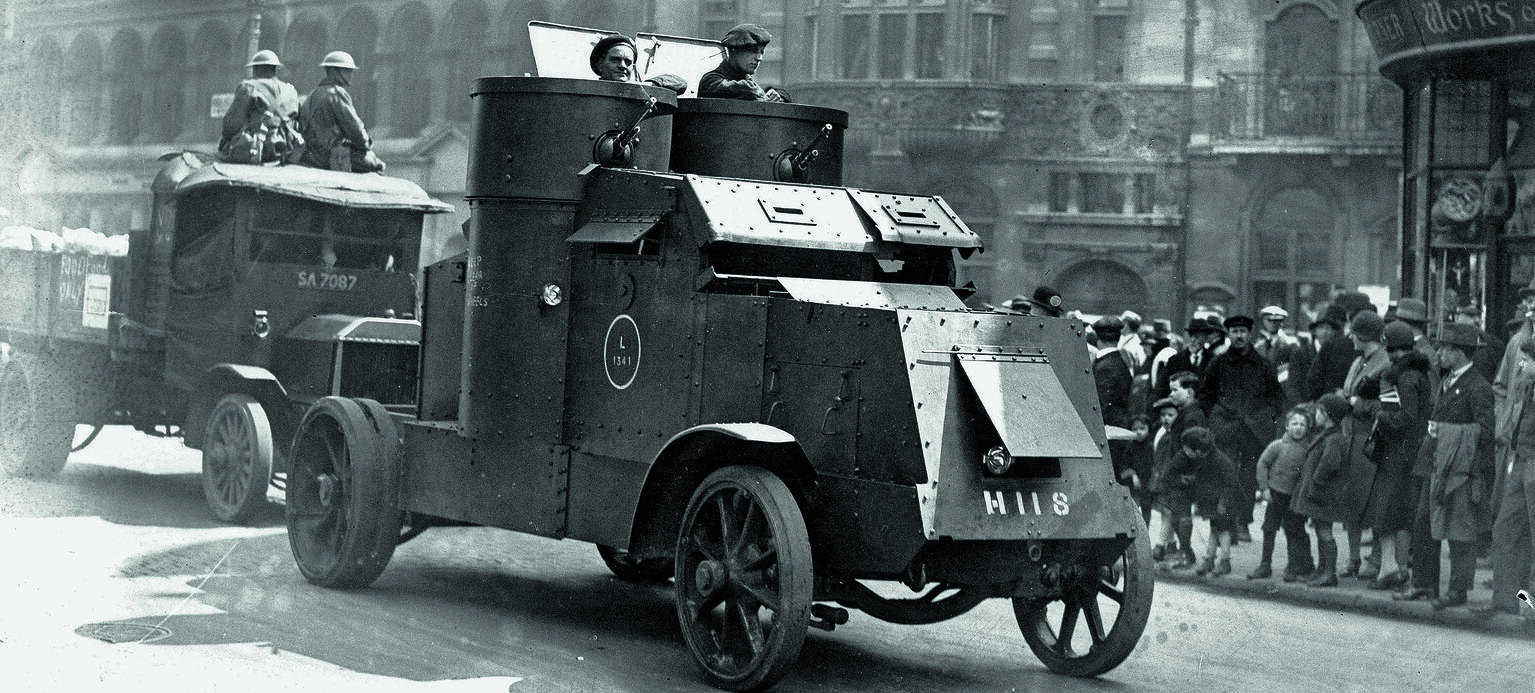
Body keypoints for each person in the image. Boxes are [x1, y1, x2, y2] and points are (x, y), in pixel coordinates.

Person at [1394, 322, 1495, 609]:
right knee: (1423, 525)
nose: (1439, 353)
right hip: (1436, 466)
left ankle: (1458, 591)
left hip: (1460, 471)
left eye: (1445, 349)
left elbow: (1486, 431)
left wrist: (1447, 432)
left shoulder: (1478, 387)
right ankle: (1424, 585)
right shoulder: (1449, 380)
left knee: (1459, 532)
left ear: (1460, 353)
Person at [1361, 320, 1433, 591]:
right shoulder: (1417, 373)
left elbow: (1407, 417)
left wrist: (1380, 414)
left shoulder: (1405, 377)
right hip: (1409, 451)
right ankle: (1398, 567)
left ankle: (1390, 568)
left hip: (1399, 451)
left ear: (1391, 348)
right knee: (1401, 512)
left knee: (1387, 512)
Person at [1198, 314, 1283, 539]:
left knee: (1249, 477)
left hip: (1254, 431)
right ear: (1229, 334)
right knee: (1227, 474)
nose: (1239, 336)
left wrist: (1269, 421)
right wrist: (1214, 419)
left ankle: (1244, 523)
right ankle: (1229, 525)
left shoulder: (1263, 364)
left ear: (1249, 334)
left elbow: (1276, 398)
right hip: (1226, 428)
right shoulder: (1218, 363)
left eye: (1243, 332)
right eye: (1234, 332)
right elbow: (1205, 395)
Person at [1292, 393, 1374, 587]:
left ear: (1327, 415)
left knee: (1325, 532)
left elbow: (1330, 463)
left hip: (1324, 493)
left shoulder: (1335, 438)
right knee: (1321, 530)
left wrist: (1317, 482)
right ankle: (1322, 570)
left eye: (1319, 411)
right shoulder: (1329, 434)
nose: (1316, 415)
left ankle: (1329, 573)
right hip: (1321, 492)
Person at [1482, 338, 1535, 617]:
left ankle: (1530, 607)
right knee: (1505, 527)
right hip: (1523, 460)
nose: (1521, 364)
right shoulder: (1527, 387)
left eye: (1527, 360)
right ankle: (1505, 600)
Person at [1340, 310, 1390, 579]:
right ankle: (1353, 558)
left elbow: (1384, 405)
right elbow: (1349, 392)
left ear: (1363, 336)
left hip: (1369, 440)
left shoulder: (1384, 363)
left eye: (1354, 333)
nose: (1350, 337)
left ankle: (1376, 559)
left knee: (1371, 504)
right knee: (1352, 502)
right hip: (1351, 437)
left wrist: (1354, 403)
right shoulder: (1359, 361)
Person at [1251, 405, 1317, 581]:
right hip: (1275, 494)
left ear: (1308, 428)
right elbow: (1262, 464)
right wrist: (1264, 488)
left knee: (1294, 530)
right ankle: (1265, 565)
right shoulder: (1278, 446)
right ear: (1287, 426)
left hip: (1295, 499)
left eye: (1302, 424)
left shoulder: (1309, 449)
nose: (1298, 427)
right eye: (1294, 423)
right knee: (1269, 528)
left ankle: (1294, 566)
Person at [1149, 373, 1205, 568]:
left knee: (1181, 515)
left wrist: (1179, 472)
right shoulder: (1186, 413)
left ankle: (1186, 553)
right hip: (1179, 473)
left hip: (1184, 475)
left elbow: (1190, 448)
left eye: (1175, 390)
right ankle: (1185, 551)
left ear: (1189, 392)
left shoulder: (1192, 416)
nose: (1171, 394)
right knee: (1175, 514)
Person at [298, 51, 385, 173]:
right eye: (347, 71)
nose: (351, 75)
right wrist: (366, 145)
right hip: (328, 156)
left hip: (310, 155)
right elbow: (355, 130)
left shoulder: (314, 93)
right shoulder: (336, 93)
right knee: (375, 162)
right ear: (334, 72)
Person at [218, 50, 302, 164]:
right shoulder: (290, 90)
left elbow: (231, 125)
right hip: (285, 150)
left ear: (256, 69)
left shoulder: (248, 87)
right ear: (275, 69)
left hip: (256, 150)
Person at [1186, 426, 1240, 577]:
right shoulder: (1206, 458)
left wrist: (1223, 502)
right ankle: (1209, 559)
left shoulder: (1220, 460)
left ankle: (1225, 561)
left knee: (1223, 531)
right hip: (1216, 502)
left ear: (1198, 451)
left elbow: (1231, 483)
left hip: (1225, 502)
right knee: (1215, 529)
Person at [699, 23, 791, 102]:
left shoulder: (746, 79)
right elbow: (748, 90)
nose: (759, 58)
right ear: (733, 50)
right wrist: (765, 96)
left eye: (761, 52)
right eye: (753, 51)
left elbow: (783, 94)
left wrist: (776, 96)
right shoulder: (711, 80)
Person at [588, 34, 687, 94]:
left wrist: (649, 85)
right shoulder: (588, 91)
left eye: (628, 62)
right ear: (600, 65)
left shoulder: (639, 92)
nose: (622, 66)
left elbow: (681, 83)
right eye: (615, 60)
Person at [1119, 414, 1155, 526]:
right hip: (1133, 485)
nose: (1138, 432)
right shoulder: (1129, 447)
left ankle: (1146, 533)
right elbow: (1123, 467)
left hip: (1147, 484)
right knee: (1133, 510)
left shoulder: (1151, 446)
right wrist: (1133, 474)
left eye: (1142, 429)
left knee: (1146, 512)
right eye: (1134, 429)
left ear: (1148, 430)